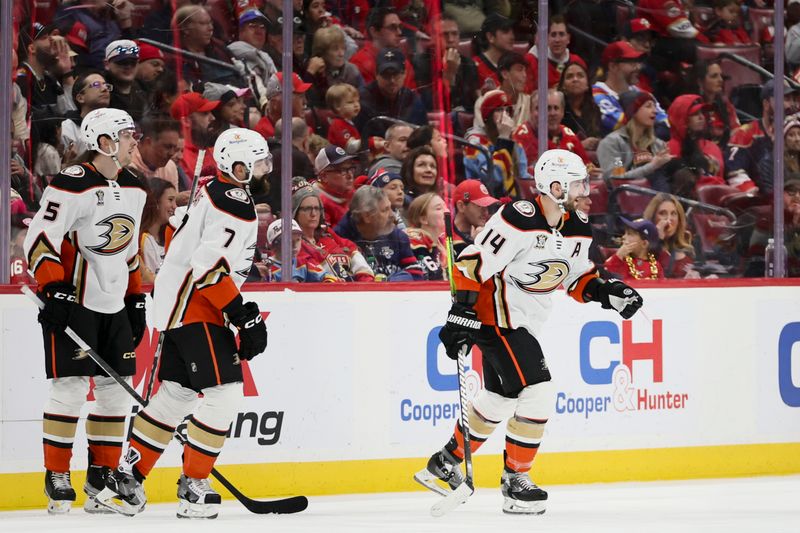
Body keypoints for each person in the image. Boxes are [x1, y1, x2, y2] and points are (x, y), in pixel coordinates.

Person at [416, 149, 643, 515]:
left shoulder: (577, 227)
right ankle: (515, 480)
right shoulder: (517, 218)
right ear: (554, 186)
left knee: (502, 399)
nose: (584, 189)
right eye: (576, 183)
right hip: (495, 319)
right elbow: (472, 262)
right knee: (538, 389)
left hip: (524, 322)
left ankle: (445, 461)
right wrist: (460, 314)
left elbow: (576, 278)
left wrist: (608, 292)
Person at [97, 128, 270, 519]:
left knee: (176, 394)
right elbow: (208, 268)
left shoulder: (213, 192)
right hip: (197, 308)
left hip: (177, 306)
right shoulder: (235, 202)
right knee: (224, 394)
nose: (263, 170)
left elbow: (187, 245)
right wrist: (243, 316)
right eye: (257, 163)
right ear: (237, 165)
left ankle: (128, 478)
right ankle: (194, 485)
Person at [23, 108, 147, 514]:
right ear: (106, 143)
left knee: (116, 390)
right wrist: (54, 287)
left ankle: (102, 476)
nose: (135, 142)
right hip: (74, 300)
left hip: (114, 303)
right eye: (128, 136)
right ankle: (57, 474)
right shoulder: (71, 184)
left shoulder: (135, 186)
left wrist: (135, 298)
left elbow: (128, 250)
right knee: (71, 388)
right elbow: (40, 237)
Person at [293, 177, 374, 281]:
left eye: (317, 208)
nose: (313, 214)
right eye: (307, 209)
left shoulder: (326, 233)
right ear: (295, 212)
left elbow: (351, 248)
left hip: (355, 290)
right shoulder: (294, 244)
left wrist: (365, 280)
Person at [334, 186, 423, 281]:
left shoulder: (399, 236)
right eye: (385, 210)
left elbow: (416, 274)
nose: (392, 215)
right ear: (367, 216)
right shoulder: (338, 239)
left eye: (391, 208)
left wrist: (391, 284)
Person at [726, 80, 799, 195]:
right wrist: (753, 194)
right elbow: (734, 172)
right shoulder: (746, 133)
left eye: (792, 100)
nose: (789, 105)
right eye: (784, 99)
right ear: (766, 104)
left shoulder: (793, 135)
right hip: (760, 203)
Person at [596, 91, 672, 189]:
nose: (655, 111)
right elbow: (615, 178)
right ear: (633, 111)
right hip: (625, 200)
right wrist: (652, 166)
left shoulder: (657, 143)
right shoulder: (612, 143)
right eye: (648, 106)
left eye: (654, 106)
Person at [593, 41, 668, 139]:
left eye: (638, 62)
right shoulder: (596, 94)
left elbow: (666, 125)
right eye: (632, 63)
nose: (638, 67)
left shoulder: (644, 94)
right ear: (613, 66)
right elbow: (621, 126)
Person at [465, 90, 530, 198]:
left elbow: (523, 177)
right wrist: (503, 139)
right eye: (499, 110)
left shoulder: (515, 144)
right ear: (488, 116)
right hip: (484, 201)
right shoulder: (475, 144)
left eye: (507, 111)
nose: (504, 115)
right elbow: (493, 179)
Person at [355, 48, 427, 139]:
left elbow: (423, 135)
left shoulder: (412, 99)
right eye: (386, 75)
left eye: (396, 75)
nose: (392, 80)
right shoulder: (362, 100)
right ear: (376, 75)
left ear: (405, 74)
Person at [413, 13, 479, 113]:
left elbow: (471, 103)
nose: (451, 40)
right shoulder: (420, 64)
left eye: (454, 34)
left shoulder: (468, 63)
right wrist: (449, 75)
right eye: (444, 34)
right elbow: (430, 105)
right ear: (433, 38)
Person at [666, 94, 726, 194]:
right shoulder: (670, 149)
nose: (701, 117)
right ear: (682, 118)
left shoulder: (712, 147)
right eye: (695, 114)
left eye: (702, 113)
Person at [349, 7, 416, 89]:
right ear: (374, 32)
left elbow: (413, 97)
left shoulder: (405, 62)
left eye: (400, 27)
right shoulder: (359, 64)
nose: (399, 32)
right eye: (392, 27)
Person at [227, 9, 278, 111]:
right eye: (252, 26)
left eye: (262, 27)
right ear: (241, 31)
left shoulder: (265, 56)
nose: (259, 30)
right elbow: (256, 87)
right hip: (252, 108)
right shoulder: (235, 53)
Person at [305, 26, 364, 109]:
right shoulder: (312, 71)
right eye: (335, 49)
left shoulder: (352, 70)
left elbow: (363, 99)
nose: (341, 54)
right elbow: (307, 100)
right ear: (322, 52)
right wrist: (310, 74)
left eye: (343, 48)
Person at [642, 193, 699, 278]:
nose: (669, 219)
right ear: (652, 218)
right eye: (662, 213)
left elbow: (703, 269)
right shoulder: (643, 246)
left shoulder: (691, 242)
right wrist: (657, 239)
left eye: (673, 214)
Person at [524, 14, 585, 93]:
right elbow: (527, 94)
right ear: (547, 38)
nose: (557, 40)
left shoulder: (577, 62)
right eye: (553, 35)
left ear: (568, 38)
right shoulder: (532, 60)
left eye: (561, 34)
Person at [61, 73, 113, 159]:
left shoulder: (115, 125)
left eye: (106, 86)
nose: (105, 89)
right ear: (80, 98)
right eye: (96, 85)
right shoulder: (69, 128)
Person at [263, 219, 334, 282]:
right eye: (289, 241)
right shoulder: (266, 268)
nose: (294, 245)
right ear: (274, 246)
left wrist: (328, 282)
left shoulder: (304, 263)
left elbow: (326, 277)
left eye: (298, 240)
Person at [170, 91, 220, 180]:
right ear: (186, 121)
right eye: (205, 114)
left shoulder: (212, 150)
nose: (213, 118)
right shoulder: (178, 157)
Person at [557, 60, 603, 150]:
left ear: (587, 85)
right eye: (570, 76)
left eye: (580, 75)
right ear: (563, 86)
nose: (575, 79)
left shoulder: (595, 110)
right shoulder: (556, 110)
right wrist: (580, 145)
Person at [693, 60, 739, 147]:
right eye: (714, 76)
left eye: (720, 76)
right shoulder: (692, 105)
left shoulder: (725, 104)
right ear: (700, 82)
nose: (720, 80)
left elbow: (736, 130)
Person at [139, 179, 177, 283]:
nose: (175, 206)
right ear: (156, 201)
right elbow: (150, 281)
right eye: (170, 200)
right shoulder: (143, 240)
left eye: (175, 201)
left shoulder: (171, 235)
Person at [254, 72, 311, 140]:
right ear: (276, 103)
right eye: (300, 96)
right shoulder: (261, 138)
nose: (305, 102)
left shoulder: (303, 128)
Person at [129, 117, 182, 189]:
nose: (172, 153)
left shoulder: (169, 167)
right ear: (148, 142)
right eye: (167, 147)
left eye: (175, 148)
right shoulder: (126, 165)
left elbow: (172, 199)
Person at [451, 179, 500, 254]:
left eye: (486, 206)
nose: (486, 212)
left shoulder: (487, 231)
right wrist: (477, 245)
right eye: (479, 206)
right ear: (461, 206)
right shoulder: (447, 239)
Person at [104, 40, 148, 122]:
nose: (128, 66)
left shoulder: (144, 90)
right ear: (106, 64)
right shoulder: (101, 92)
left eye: (133, 62)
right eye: (122, 62)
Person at [314, 145, 358, 227]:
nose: (350, 175)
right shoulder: (316, 204)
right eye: (343, 170)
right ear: (324, 176)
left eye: (351, 169)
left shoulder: (351, 194)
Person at [404, 192, 446, 280]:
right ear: (423, 219)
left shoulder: (442, 243)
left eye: (446, 207)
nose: (446, 211)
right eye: (439, 208)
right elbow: (433, 277)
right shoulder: (414, 240)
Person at [472, 13, 516, 90]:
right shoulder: (474, 67)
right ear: (490, 37)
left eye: (512, 31)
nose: (512, 37)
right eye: (505, 31)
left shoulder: (516, 65)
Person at [326, 83, 364, 153]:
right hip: (343, 162)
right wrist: (370, 142)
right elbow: (350, 147)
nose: (356, 105)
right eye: (350, 102)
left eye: (357, 101)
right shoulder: (337, 124)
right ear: (337, 106)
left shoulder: (349, 122)